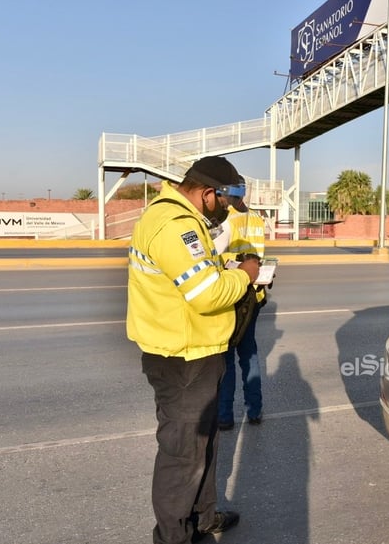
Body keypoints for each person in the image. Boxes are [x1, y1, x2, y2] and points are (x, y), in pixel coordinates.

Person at [126, 156, 260, 544]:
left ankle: (202, 518)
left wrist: (226, 268)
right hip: (182, 358)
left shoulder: (177, 218)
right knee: (183, 454)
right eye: (224, 203)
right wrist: (245, 276)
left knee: (204, 445)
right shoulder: (176, 226)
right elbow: (206, 294)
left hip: (195, 349)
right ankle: (173, 537)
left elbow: (195, 275)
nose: (225, 212)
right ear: (207, 193)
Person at [213, 182, 268, 430]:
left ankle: (225, 415)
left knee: (225, 356)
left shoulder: (225, 221)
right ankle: (254, 410)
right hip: (254, 295)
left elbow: (212, 254)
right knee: (249, 352)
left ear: (225, 195)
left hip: (232, 292)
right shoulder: (256, 218)